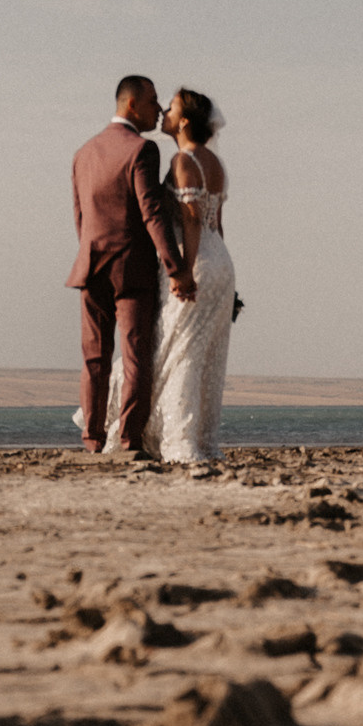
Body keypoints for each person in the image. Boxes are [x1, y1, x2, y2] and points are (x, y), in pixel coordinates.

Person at [67, 76, 194, 459]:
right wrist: (175, 267)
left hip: (90, 266)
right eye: (154, 101)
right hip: (131, 270)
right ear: (133, 104)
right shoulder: (142, 150)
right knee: (136, 355)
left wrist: (91, 252)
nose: (159, 109)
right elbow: (151, 212)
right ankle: (128, 440)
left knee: (94, 358)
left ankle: (91, 440)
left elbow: (80, 216)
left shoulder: (83, 152)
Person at [141, 90, 236, 474]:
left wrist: (185, 271)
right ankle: (202, 438)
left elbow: (193, 219)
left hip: (195, 259)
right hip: (221, 262)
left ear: (183, 121)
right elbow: (218, 223)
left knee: (181, 351)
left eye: (171, 106)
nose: (163, 110)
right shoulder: (216, 162)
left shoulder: (184, 160)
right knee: (206, 351)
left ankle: (181, 440)